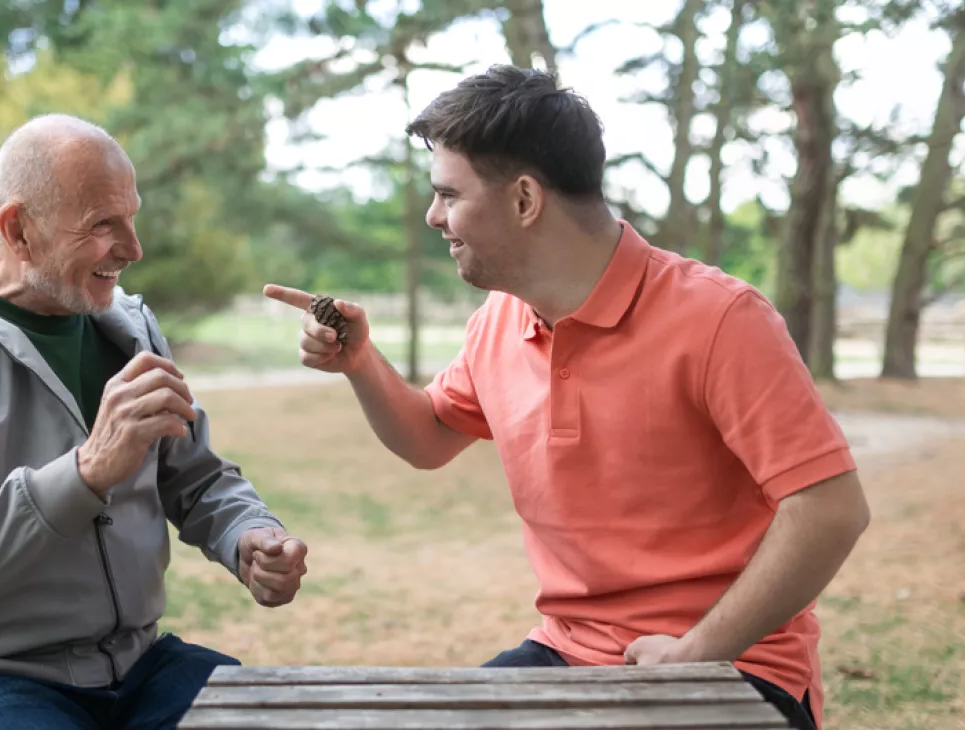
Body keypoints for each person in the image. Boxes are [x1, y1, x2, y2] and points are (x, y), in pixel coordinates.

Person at [263, 65, 869, 730]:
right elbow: (430, 436)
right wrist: (360, 363)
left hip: (736, 666)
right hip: (568, 651)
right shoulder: (501, 317)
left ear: (525, 200)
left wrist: (697, 653)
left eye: (448, 195)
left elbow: (829, 510)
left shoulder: (721, 318)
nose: (434, 216)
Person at [0, 114, 309, 730]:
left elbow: (195, 477)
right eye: (102, 226)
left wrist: (249, 537)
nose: (133, 249)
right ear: (18, 229)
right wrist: (85, 472)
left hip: (140, 667)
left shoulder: (131, 326)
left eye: (131, 218)